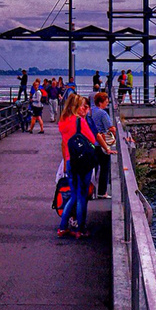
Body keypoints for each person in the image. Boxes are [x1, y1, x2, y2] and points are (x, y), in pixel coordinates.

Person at [57, 92, 96, 238]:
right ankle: (80, 229)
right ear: (76, 106)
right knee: (82, 196)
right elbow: (92, 139)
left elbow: (64, 141)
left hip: (69, 159)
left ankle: (62, 227)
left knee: (73, 196)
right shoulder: (79, 121)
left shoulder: (63, 121)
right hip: (83, 161)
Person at [87, 91, 116, 197]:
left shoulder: (90, 112)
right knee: (105, 168)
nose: (107, 103)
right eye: (106, 101)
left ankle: (90, 191)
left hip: (90, 143)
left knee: (93, 168)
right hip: (101, 144)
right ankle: (102, 192)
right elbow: (110, 128)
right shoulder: (103, 113)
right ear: (101, 102)